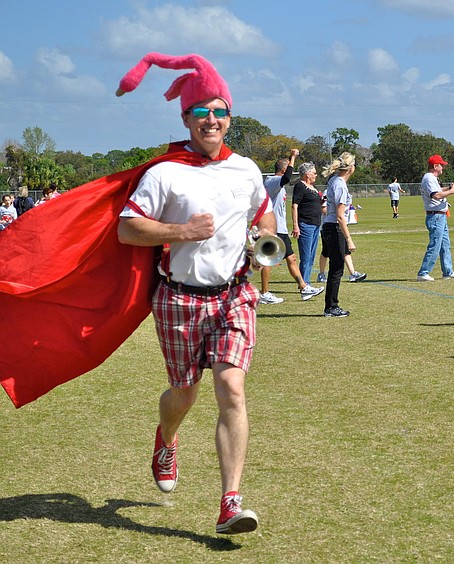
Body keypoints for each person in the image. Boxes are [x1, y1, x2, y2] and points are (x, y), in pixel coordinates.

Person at [115, 52, 264, 534]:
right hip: (179, 298)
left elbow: (265, 217)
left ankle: (230, 501)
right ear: (187, 119)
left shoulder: (246, 170)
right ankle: (167, 438)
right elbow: (128, 231)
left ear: (229, 118)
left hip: (233, 294)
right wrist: (181, 232)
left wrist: (265, 236)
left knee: (231, 388)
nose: (212, 120)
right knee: (184, 393)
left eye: (220, 111)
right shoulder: (165, 172)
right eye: (202, 113)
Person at [259, 151, 324, 304]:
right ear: (284, 169)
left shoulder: (276, 183)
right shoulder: (273, 181)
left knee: (291, 258)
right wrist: (293, 157)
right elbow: (287, 177)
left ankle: (304, 287)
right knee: (268, 260)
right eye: (289, 167)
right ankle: (264, 293)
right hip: (271, 227)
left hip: (280, 228)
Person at [321, 152, 359, 317]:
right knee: (336, 269)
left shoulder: (334, 181)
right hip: (334, 227)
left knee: (335, 268)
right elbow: (340, 215)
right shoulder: (340, 185)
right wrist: (349, 239)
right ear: (351, 168)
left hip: (330, 226)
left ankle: (331, 305)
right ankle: (331, 307)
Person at [417, 155, 454, 281]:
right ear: (435, 166)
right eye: (441, 165)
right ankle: (423, 272)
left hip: (440, 216)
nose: (443, 167)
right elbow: (436, 195)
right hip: (435, 216)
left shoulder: (432, 178)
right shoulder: (429, 178)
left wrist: (448, 188)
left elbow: (438, 190)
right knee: (435, 245)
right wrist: (452, 191)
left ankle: (448, 271)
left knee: (445, 245)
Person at [291, 162, 325, 285]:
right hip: (306, 224)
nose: (316, 175)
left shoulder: (313, 188)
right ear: (307, 174)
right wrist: (296, 225)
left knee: (311, 256)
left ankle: (307, 281)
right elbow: (295, 206)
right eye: (314, 173)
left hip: (316, 224)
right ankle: (304, 283)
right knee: (305, 257)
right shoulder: (300, 186)